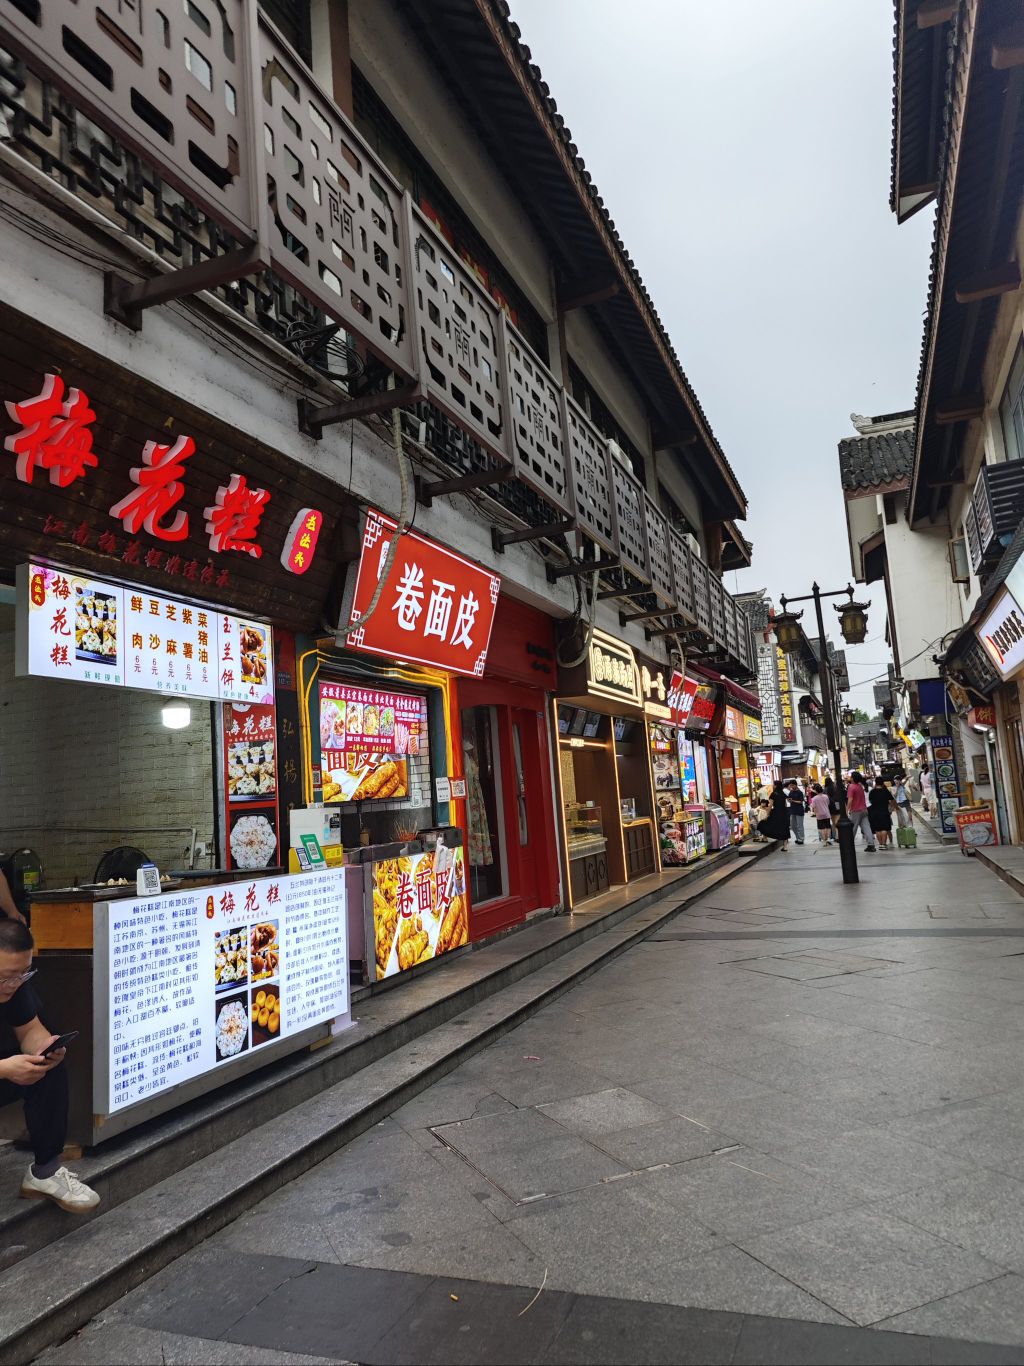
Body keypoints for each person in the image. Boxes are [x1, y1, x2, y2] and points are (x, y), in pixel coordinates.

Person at [0, 919, 100, 1213]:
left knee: (48, 1069)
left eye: (23, 974)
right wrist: (4, 1069)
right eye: (6, 977)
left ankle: (46, 1172)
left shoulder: (16, 985)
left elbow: (30, 1030)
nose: (14, 984)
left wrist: (44, 1048)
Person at [846, 771, 876, 851]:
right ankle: (871, 844)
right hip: (864, 809)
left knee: (853, 828)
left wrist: (847, 810)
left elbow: (850, 800)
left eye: (851, 776)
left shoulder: (851, 787)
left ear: (853, 778)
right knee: (866, 827)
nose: (850, 778)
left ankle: (849, 844)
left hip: (856, 810)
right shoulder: (860, 786)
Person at [758, 781, 791, 850]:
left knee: (764, 823)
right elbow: (785, 804)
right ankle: (785, 846)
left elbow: (770, 805)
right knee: (784, 828)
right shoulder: (783, 793)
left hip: (776, 812)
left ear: (776, 786)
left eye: (774, 785)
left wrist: (767, 814)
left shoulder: (773, 794)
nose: (773, 786)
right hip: (784, 812)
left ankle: (765, 838)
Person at [869, 778, 896, 849]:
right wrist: (894, 807)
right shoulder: (885, 791)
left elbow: (870, 801)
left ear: (876, 783)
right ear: (882, 783)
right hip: (884, 812)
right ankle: (884, 844)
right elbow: (892, 800)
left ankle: (880, 844)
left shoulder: (872, 792)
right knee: (884, 828)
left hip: (874, 812)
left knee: (878, 829)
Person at [785, 779, 807, 846]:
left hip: (799, 810)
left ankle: (801, 839)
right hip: (792, 810)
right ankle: (798, 837)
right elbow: (789, 800)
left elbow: (800, 802)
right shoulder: (791, 792)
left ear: (795, 785)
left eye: (792, 785)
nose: (791, 787)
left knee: (800, 825)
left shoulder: (799, 792)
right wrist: (788, 800)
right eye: (790, 785)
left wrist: (793, 801)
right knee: (792, 825)